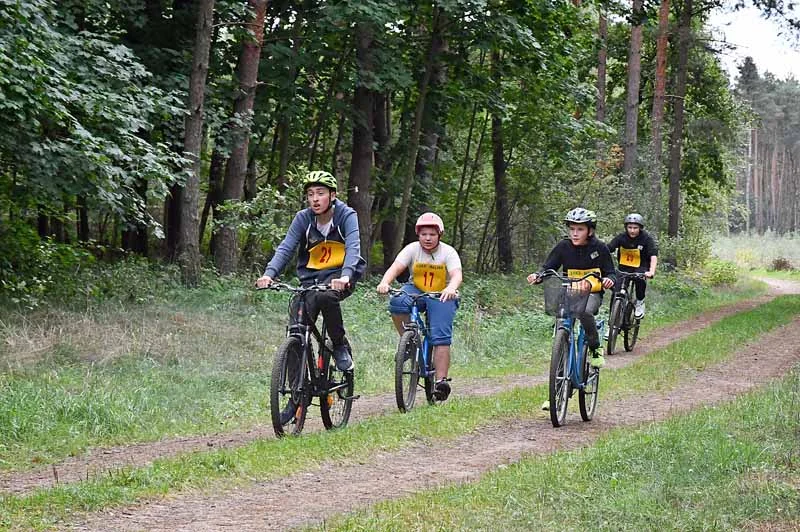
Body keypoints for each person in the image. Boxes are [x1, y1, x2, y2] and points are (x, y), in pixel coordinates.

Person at [256, 170, 366, 374]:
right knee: (296, 332)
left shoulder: (346, 215)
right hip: (311, 279)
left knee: (326, 297)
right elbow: (286, 247)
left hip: (339, 277)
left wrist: (345, 275)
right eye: (310, 194)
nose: (315, 199)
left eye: (320, 193)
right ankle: (295, 400)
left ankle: (339, 345)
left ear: (332, 195)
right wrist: (269, 274)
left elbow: (353, 247)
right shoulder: (303, 219)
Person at [377, 212, 463, 401]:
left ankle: (441, 381)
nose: (427, 238)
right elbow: (396, 267)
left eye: (432, 234)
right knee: (398, 302)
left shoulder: (448, 252)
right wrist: (385, 282)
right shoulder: (412, 249)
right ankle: (408, 342)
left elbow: (457, 275)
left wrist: (450, 288)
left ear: (439, 234)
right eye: (423, 234)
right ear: (418, 235)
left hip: (441, 293)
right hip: (416, 289)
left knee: (440, 336)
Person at [527, 207, 616, 372]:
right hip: (569, 290)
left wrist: (609, 280)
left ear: (590, 231)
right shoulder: (563, 247)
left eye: (580, 229)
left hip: (592, 292)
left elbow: (611, 272)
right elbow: (548, 267)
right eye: (572, 229)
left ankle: (595, 348)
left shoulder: (600, 248)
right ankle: (558, 387)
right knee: (562, 320)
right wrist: (538, 276)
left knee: (584, 312)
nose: (575, 233)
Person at [606, 213, 658, 319]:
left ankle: (640, 302)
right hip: (624, 268)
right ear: (626, 227)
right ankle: (612, 320)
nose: (632, 230)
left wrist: (651, 271)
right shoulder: (621, 237)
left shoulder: (646, 239)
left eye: (635, 228)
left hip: (640, 266)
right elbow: (608, 249)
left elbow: (653, 256)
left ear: (640, 228)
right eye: (630, 227)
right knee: (616, 291)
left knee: (640, 280)